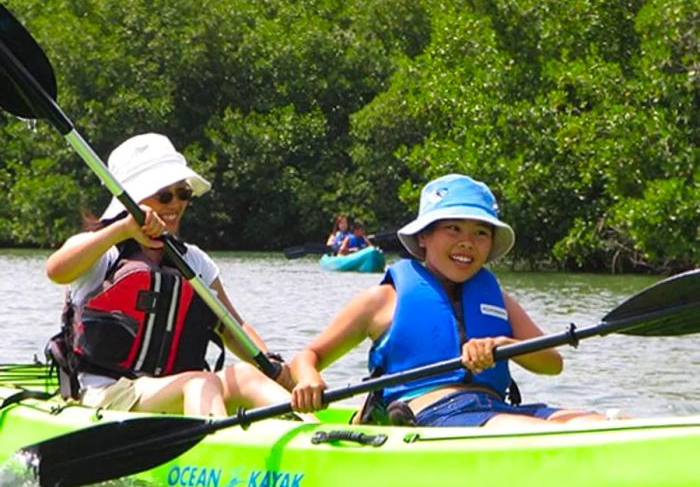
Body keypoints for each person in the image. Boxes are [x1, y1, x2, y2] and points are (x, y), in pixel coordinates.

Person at [291, 174, 607, 428]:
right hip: (431, 413)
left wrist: (500, 343)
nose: (467, 242)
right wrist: (308, 377)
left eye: (481, 233)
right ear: (423, 237)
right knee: (531, 432)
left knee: (598, 422)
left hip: (496, 408)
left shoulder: (501, 301)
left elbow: (553, 363)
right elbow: (309, 355)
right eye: (453, 228)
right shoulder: (384, 300)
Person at [45, 133, 304, 419]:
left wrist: (272, 366)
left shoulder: (193, 260)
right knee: (199, 381)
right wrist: (122, 230)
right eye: (164, 195)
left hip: (178, 390)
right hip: (105, 394)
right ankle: (214, 455)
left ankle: (313, 436)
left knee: (246, 375)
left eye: (183, 193)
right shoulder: (104, 250)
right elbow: (57, 270)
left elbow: (231, 325)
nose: (175, 204)